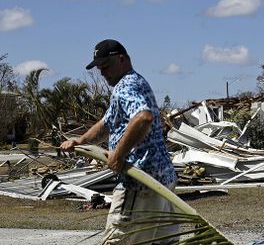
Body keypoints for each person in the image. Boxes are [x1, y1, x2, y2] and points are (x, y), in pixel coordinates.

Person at [60, 39, 178, 245]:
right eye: (99, 68)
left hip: (139, 184)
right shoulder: (137, 82)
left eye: (106, 66)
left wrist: (118, 154)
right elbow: (106, 123)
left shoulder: (126, 86)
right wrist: (80, 140)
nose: (103, 72)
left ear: (122, 59)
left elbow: (144, 117)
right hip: (163, 180)